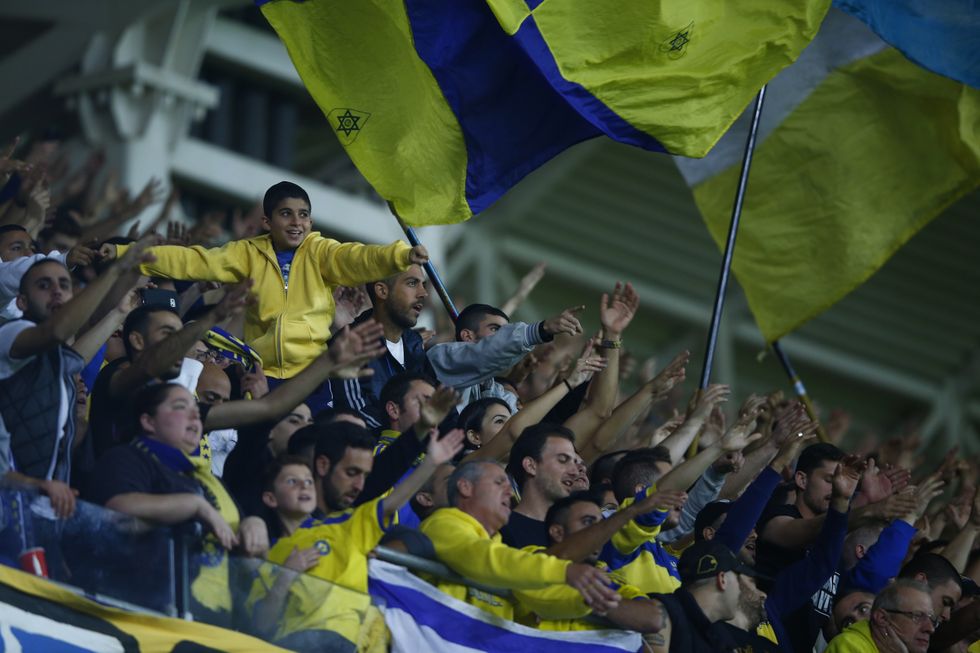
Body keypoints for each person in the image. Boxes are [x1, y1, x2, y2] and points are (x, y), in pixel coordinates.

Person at [101, 181, 428, 395]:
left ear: (311, 223)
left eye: (303, 215)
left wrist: (399, 256)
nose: (296, 222)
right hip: (260, 374)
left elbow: (358, 258)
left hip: (312, 377)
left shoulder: (321, 252)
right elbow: (191, 261)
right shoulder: (246, 253)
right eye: (286, 214)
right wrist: (122, 254)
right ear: (267, 222)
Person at [249, 422, 464, 652]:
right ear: (270, 498)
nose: (304, 486)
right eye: (292, 481)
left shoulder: (347, 524)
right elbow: (259, 625)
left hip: (346, 643)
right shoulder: (268, 553)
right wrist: (286, 576)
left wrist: (431, 463)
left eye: (308, 481)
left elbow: (391, 503)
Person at [85, 383, 269, 624]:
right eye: (180, 407)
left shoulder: (210, 480)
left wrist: (254, 527)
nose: (195, 415)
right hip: (146, 612)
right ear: (148, 422)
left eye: (196, 409)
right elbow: (116, 513)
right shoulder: (127, 458)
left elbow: (246, 565)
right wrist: (195, 505)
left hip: (217, 620)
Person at [0, 240, 149, 517]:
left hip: (39, 508)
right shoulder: (10, 334)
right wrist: (114, 273)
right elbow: (56, 333)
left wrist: (120, 314)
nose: (56, 291)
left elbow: (74, 358)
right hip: (9, 504)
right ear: (21, 301)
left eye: (64, 285)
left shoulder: (52, 354)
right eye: (43, 286)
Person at [419, 460, 621, 621]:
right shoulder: (442, 523)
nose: (509, 492)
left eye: (509, 485)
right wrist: (563, 570)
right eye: (499, 483)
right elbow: (481, 556)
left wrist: (586, 599)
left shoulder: (501, 551)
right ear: (465, 487)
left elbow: (538, 596)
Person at [426, 302, 584, 413]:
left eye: (505, 331)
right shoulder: (440, 356)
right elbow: (486, 352)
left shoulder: (492, 389)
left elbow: (518, 424)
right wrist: (541, 330)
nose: (501, 336)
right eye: (495, 329)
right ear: (468, 336)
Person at [332, 264, 438, 428]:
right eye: (412, 283)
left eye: (423, 284)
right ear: (382, 291)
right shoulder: (349, 345)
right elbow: (355, 416)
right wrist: (412, 439)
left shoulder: (414, 345)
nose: (423, 293)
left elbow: (439, 407)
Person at [500, 424, 580, 548]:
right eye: (563, 460)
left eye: (575, 462)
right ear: (531, 466)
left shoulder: (576, 532)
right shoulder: (501, 530)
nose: (575, 472)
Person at [825, 580, 937, 653]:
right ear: (882, 618)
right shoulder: (849, 645)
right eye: (917, 616)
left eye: (931, 619)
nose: (930, 628)